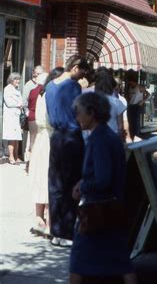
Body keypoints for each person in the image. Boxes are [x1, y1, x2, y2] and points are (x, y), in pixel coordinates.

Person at [70, 92, 137, 284]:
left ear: (91, 113)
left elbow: (102, 179)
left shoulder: (99, 139)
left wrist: (83, 187)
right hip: (111, 208)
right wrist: (82, 183)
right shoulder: (107, 135)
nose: (77, 117)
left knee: (78, 261)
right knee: (120, 261)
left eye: (79, 112)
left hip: (98, 210)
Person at [45, 55, 89, 247]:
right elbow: (80, 113)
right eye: (82, 72)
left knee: (55, 184)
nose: (82, 77)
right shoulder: (73, 87)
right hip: (72, 136)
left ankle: (56, 231)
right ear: (76, 67)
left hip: (56, 137)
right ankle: (67, 231)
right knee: (71, 183)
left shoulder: (50, 86)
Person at [29, 67, 64, 236]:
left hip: (41, 139)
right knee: (50, 178)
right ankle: (50, 223)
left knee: (39, 177)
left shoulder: (41, 94)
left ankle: (38, 219)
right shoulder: (53, 95)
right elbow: (54, 120)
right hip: (50, 138)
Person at [95, 73, 126, 140]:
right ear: (113, 86)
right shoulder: (117, 102)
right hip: (111, 136)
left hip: (94, 136)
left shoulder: (91, 100)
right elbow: (120, 126)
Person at [2, 73, 23, 165]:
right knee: (12, 137)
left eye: (19, 79)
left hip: (16, 116)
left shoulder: (16, 89)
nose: (18, 81)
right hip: (10, 117)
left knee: (17, 137)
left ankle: (16, 156)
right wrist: (19, 105)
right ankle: (11, 157)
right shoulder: (7, 89)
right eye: (16, 79)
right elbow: (9, 102)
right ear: (11, 80)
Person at [24, 65, 43, 154]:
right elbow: (24, 100)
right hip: (31, 114)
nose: (37, 75)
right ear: (33, 73)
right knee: (31, 138)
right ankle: (28, 158)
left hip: (40, 114)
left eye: (40, 73)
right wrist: (27, 113)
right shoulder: (29, 85)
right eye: (36, 73)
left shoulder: (43, 85)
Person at [126, 74, 149, 141]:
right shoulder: (130, 87)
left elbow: (148, 94)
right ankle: (132, 135)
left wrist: (142, 101)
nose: (129, 83)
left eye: (130, 82)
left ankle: (137, 136)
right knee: (130, 121)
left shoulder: (139, 87)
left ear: (133, 81)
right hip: (131, 105)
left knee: (135, 122)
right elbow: (130, 96)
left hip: (137, 106)